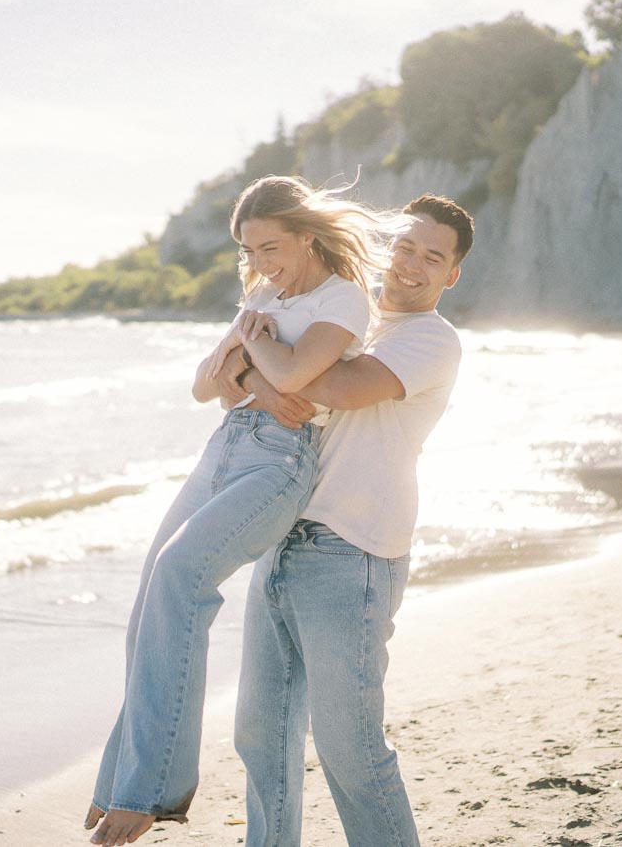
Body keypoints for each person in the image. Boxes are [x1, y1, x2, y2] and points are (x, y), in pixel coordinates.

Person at [86, 175, 389, 847]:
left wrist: (250, 355)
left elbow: (290, 378)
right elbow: (205, 386)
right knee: (148, 600)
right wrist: (253, 361)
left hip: (279, 462)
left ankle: (149, 792)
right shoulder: (261, 295)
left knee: (179, 576)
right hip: (224, 449)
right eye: (251, 250)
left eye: (272, 246)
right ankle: (118, 781)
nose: (261, 262)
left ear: (307, 236)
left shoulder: (343, 297)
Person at [224, 194, 475, 847]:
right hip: (281, 538)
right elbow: (225, 379)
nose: (413, 265)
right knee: (261, 735)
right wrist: (262, 362)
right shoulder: (347, 315)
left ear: (451, 275)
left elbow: (337, 388)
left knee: (351, 752)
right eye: (406, 246)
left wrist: (259, 359)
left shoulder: (430, 339)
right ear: (384, 246)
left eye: (433, 257)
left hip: (352, 554)